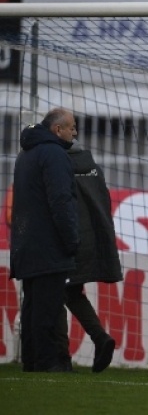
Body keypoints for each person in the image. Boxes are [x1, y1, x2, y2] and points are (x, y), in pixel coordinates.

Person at [11, 108, 80, 372]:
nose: (74, 133)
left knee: (32, 306)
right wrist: (71, 239)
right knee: (48, 309)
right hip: (49, 244)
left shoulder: (25, 154)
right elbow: (61, 201)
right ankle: (49, 362)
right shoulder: (54, 154)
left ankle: (32, 361)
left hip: (26, 242)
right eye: (71, 127)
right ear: (57, 130)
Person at [56, 138, 123, 373]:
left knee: (53, 293)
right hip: (93, 238)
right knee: (71, 292)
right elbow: (104, 199)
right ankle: (99, 338)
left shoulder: (58, 164)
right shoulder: (92, 164)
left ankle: (59, 358)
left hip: (69, 240)